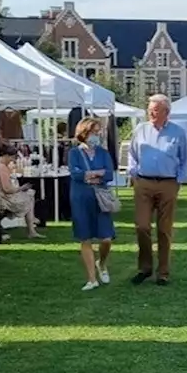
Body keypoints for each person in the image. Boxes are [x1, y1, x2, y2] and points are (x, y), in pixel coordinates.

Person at [127, 94, 187, 286]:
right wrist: (133, 172)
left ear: (166, 112)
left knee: (164, 229)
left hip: (168, 183)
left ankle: (163, 272)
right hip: (144, 182)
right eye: (150, 109)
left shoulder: (178, 132)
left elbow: (184, 159)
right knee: (142, 226)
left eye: (155, 110)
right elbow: (132, 154)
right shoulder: (141, 129)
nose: (151, 113)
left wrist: (179, 180)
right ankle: (144, 268)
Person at [69, 117, 116, 291]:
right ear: (84, 133)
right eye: (93, 132)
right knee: (85, 237)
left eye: (98, 132)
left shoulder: (103, 153)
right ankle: (91, 278)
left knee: (106, 238)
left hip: (100, 198)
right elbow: (75, 174)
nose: (97, 135)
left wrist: (90, 174)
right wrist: (96, 174)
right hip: (81, 197)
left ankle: (101, 263)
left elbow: (109, 174)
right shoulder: (74, 153)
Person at [0, 145, 42, 239]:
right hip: (3, 199)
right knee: (29, 197)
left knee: (30, 194)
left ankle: (32, 225)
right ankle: (31, 228)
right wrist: (21, 188)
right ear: (7, 155)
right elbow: (7, 189)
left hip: (0, 196)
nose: (13, 160)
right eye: (12, 157)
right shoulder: (2, 168)